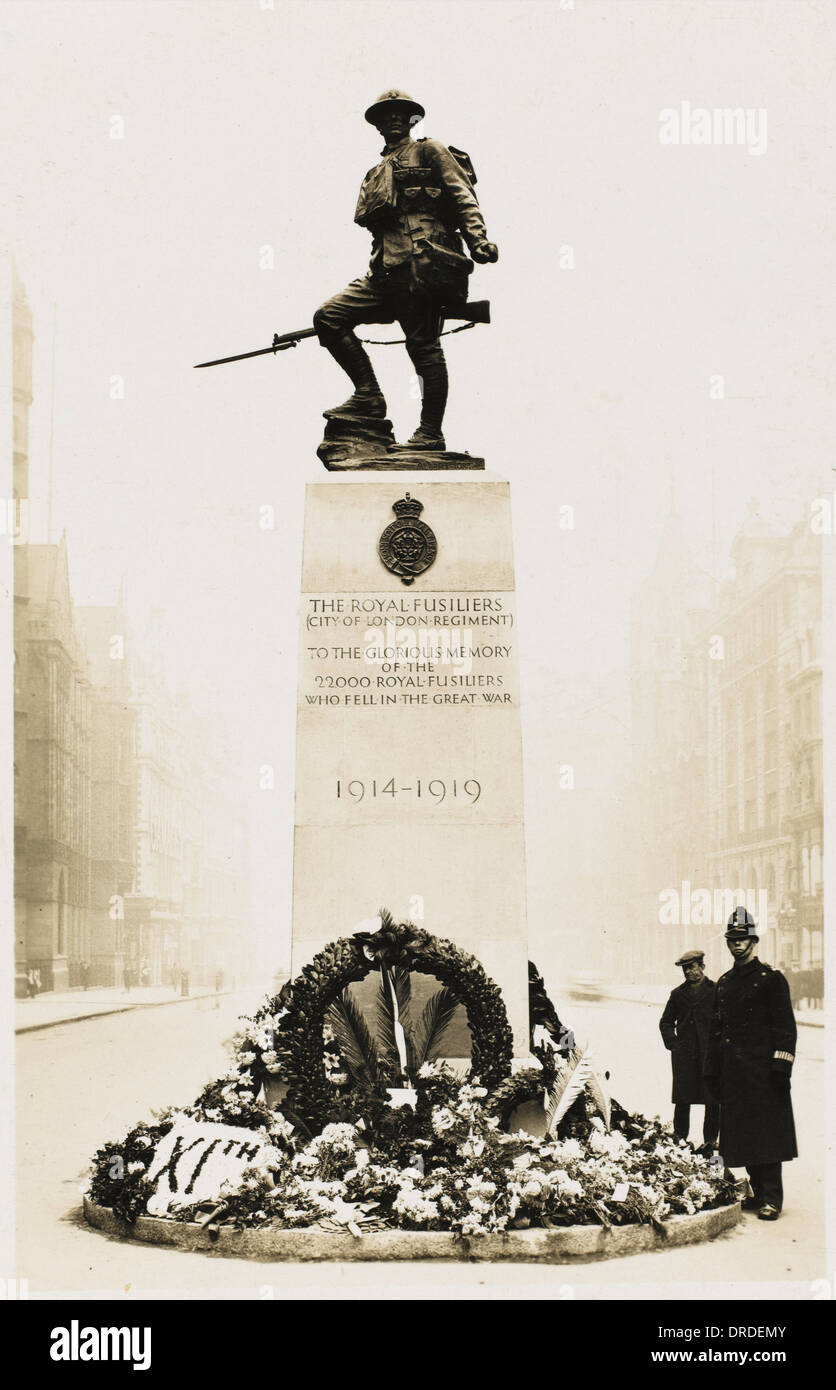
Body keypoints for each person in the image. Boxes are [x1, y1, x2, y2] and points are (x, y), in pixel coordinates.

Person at [313, 89, 499, 452]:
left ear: (413, 120)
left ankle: (430, 433)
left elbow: (462, 195)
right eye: (387, 115)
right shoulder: (376, 171)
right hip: (385, 271)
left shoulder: (429, 151)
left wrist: (478, 241)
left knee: (423, 347)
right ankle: (368, 397)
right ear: (378, 124)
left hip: (423, 264)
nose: (394, 119)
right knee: (329, 317)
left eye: (402, 113)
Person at [704, 907, 797, 1220]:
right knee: (744, 1135)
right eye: (732, 939)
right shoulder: (725, 983)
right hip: (735, 1074)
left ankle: (772, 1198)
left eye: (743, 939)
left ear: (754, 941)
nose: (737, 944)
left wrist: (781, 1069)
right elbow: (717, 1032)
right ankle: (757, 1193)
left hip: (764, 1074)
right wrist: (712, 1071)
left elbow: (785, 1029)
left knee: (768, 1137)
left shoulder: (771, 981)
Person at [659, 948, 719, 1151]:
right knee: (683, 1099)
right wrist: (674, 1044)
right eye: (685, 969)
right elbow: (666, 1022)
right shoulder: (677, 994)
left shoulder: (716, 990)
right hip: (685, 1055)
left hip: (710, 1055)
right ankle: (680, 1137)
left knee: (712, 1099)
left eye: (692, 968)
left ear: (702, 967)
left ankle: (710, 1141)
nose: (689, 973)